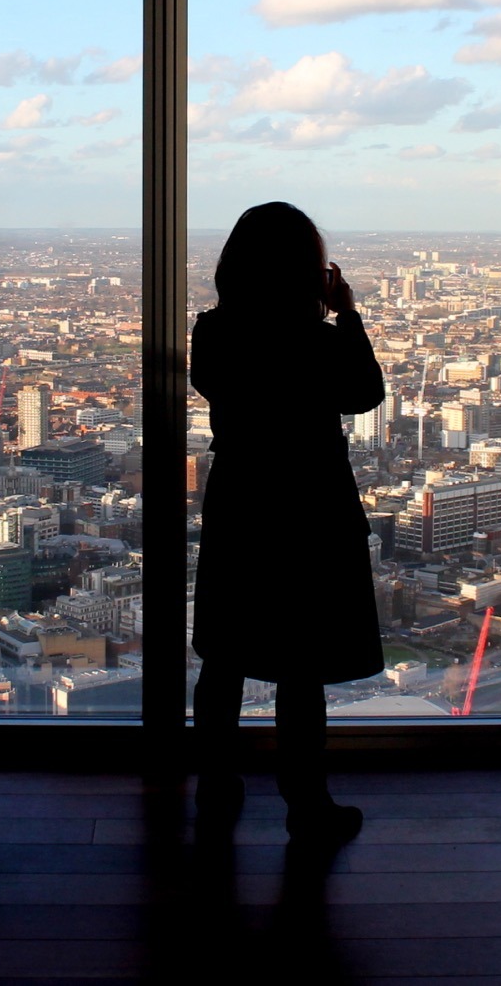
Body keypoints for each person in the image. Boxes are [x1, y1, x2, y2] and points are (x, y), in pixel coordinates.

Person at [190, 201, 386, 845]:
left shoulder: (212, 333)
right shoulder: (320, 341)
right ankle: (307, 806)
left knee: (224, 660)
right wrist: (345, 312)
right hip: (310, 504)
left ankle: (216, 790)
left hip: (242, 501)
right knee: (302, 669)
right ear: (310, 271)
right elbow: (365, 394)